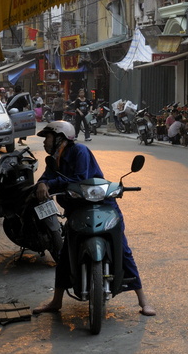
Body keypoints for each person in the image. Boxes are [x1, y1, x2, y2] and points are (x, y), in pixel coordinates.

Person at [30, 121, 156, 317]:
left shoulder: (80, 151)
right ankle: (56, 301)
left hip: (101, 204)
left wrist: (49, 183)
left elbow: (79, 178)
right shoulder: (53, 160)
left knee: (122, 249)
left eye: (47, 137)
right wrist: (43, 183)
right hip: (75, 208)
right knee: (65, 253)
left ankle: (143, 301)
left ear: (60, 138)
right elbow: (46, 178)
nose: (45, 142)